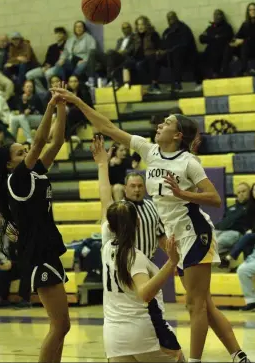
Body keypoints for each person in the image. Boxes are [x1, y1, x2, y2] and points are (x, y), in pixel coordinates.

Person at [50, 86, 251, 363]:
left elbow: (215, 198)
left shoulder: (188, 162)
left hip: (195, 234)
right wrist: (75, 101)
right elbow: (106, 127)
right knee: (203, 303)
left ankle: (194, 361)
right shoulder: (150, 150)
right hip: (176, 236)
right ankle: (239, 355)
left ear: (178, 135)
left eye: (167, 123)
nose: (160, 125)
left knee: (195, 305)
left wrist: (183, 194)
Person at [0, 86, 70, 362]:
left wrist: (62, 107)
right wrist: (49, 105)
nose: (27, 155)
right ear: (10, 165)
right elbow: (39, 142)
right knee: (59, 326)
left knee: (61, 326)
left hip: (47, 249)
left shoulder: (35, 174)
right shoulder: (17, 180)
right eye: (20, 154)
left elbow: (55, 142)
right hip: (37, 253)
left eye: (25, 152)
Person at [90, 136, 184, 362]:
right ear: (137, 224)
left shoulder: (105, 243)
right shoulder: (135, 256)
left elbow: (105, 199)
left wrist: (102, 165)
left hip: (112, 334)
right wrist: (172, 262)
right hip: (143, 328)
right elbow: (145, 293)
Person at [223, 182, 255, 267]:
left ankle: (229, 257)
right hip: (254, 234)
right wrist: (248, 230)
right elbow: (247, 224)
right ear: (252, 192)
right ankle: (249, 265)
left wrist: (252, 231)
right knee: (247, 242)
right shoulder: (250, 207)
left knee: (247, 237)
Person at [222, 3, 255, 76]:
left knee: (245, 44)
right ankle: (224, 71)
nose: (252, 11)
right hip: (244, 48)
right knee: (229, 45)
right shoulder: (245, 24)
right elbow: (238, 35)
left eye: (254, 9)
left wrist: (243, 40)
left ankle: (244, 69)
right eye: (250, 10)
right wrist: (234, 41)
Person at [159, 11, 200, 92]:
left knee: (176, 55)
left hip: (187, 55)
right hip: (170, 55)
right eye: (168, 18)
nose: (170, 20)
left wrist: (168, 51)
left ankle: (177, 83)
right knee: (153, 58)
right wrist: (160, 50)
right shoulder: (167, 31)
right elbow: (163, 43)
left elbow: (184, 44)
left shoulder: (184, 28)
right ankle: (155, 84)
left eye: (172, 18)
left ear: (176, 17)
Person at [122, 16, 162, 94]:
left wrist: (157, 52)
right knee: (126, 63)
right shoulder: (134, 36)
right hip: (137, 57)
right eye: (138, 25)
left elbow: (159, 46)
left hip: (149, 56)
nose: (140, 27)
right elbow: (131, 49)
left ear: (147, 25)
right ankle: (126, 85)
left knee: (142, 64)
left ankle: (154, 85)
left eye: (142, 24)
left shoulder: (153, 34)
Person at [87, 22, 135, 86]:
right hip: (115, 57)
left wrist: (121, 51)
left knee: (110, 52)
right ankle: (91, 79)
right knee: (93, 52)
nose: (125, 29)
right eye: (123, 28)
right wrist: (115, 52)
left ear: (131, 28)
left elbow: (131, 50)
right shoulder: (120, 40)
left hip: (124, 58)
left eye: (127, 27)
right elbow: (116, 51)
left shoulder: (134, 38)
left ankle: (110, 79)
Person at [26, 27, 68, 94]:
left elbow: (61, 60)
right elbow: (47, 59)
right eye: (57, 33)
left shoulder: (66, 46)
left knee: (48, 73)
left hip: (57, 67)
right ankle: (42, 92)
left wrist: (49, 66)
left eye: (60, 33)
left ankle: (50, 93)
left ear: (64, 35)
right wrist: (44, 66)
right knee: (29, 75)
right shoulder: (52, 47)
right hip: (47, 67)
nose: (58, 35)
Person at [214, 182, 251, 256]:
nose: (241, 194)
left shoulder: (252, 207)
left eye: (244, 191)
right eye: (239, 192)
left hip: (235, 233)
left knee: (216, 244)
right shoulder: (231, 208)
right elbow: (223, 221)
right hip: (220, 230)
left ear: (250, 192)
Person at [199, 9, 234, 80]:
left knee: (216, 52)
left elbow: (227, 37)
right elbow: (201, 38)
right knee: (199, 57)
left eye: (218, 14)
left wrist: (212, 38)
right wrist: (214, 37)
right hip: (210, 50)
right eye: (215, 15)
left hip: (222, 50)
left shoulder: (227, 27)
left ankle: (216, 74)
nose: (216, 17)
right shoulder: (210, 28)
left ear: (222, 16)